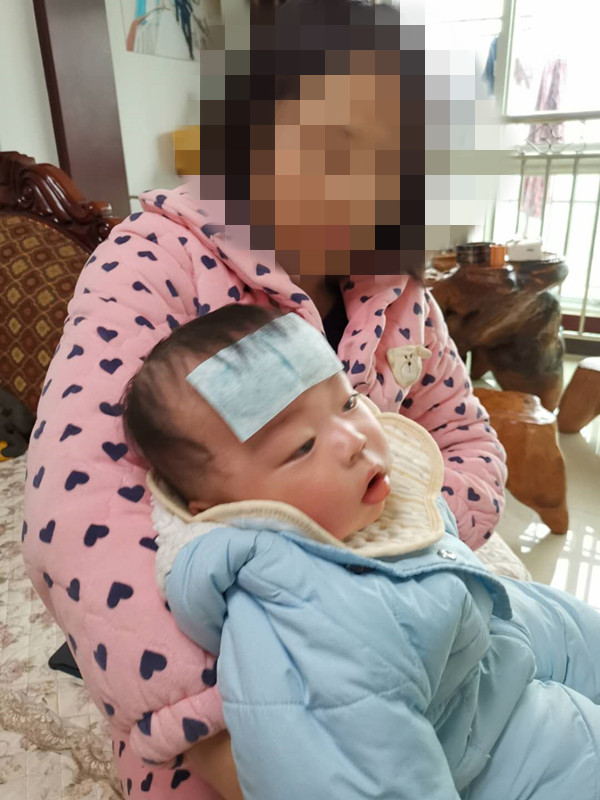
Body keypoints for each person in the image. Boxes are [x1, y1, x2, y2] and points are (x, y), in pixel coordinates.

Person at [22, 1, 518, 797]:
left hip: (403, 640)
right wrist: (213, 730)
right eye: (333, 149)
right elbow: (74, 511)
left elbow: (469, 444)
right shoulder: (152, 264)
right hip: (229, 675)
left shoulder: (400, 297)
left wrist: (392, 532)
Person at [122, 303, 600, 800]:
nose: (353, 439)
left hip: (509, 677)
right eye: (302, 446)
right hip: (506, 766)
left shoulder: (371, 513)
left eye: (348, 402)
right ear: (223, 509)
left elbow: (510, 611)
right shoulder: (306, 632)